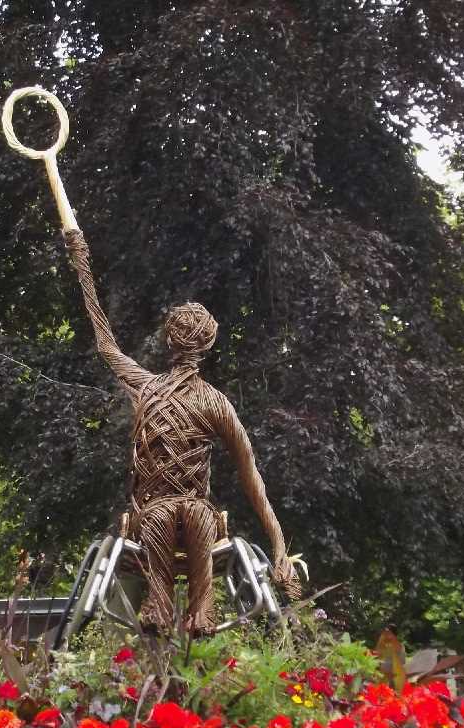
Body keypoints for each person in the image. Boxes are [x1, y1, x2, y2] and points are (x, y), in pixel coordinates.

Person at [63, 229, 301, 633]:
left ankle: (190, 607)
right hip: (167, 512)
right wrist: (277, 543)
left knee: (180, 511)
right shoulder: (213, 402)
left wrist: (82, 265)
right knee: (181, 512)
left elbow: (106, 347)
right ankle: (174, 604)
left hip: (168, 511)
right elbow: (251, 476)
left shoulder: (148, 386)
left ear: (169, 338)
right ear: (209, 343)